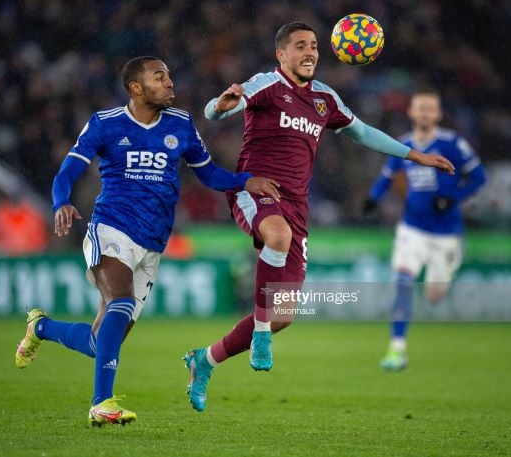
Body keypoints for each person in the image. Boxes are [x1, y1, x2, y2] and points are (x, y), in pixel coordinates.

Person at [183, 21, 455, 412]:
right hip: (255, 190)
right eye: (299, 46)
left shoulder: (325, 99)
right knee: (277, 238)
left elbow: (363, 133)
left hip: (295, 206)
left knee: (284, 315)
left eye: (313, 46)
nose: (310, 52)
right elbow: (217, 109)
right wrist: (220, 104)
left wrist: (416, 155)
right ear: (282, 54)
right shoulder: (266, 84)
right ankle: (260, 335)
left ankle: (204, 360)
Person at [14, 56, 280, 426]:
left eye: (169, 75)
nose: (170, 83)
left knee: (100, 343)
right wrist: (62, 202)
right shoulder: (105, 124)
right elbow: (68, 170)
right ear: (136, 88)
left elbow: (211, 175)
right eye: (160, 77)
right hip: (111, 228)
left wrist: (244, 180)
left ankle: (40, 327)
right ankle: (100, 403)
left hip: (153, 242)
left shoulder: (181, 124)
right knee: (120, 301)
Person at [363, 89, 486, 371]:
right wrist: (373, 198)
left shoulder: (452, 143)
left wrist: (453, 198)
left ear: (438, 114)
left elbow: (479, 177)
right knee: (403, 282)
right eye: (421, 108)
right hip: (412, 229)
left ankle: (446, 273)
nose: (425, 114)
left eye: (431, 109)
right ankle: (397, 350)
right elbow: (386, 176)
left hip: (446, 234)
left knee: (434, 295)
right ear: (411, 112)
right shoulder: (405, 145)